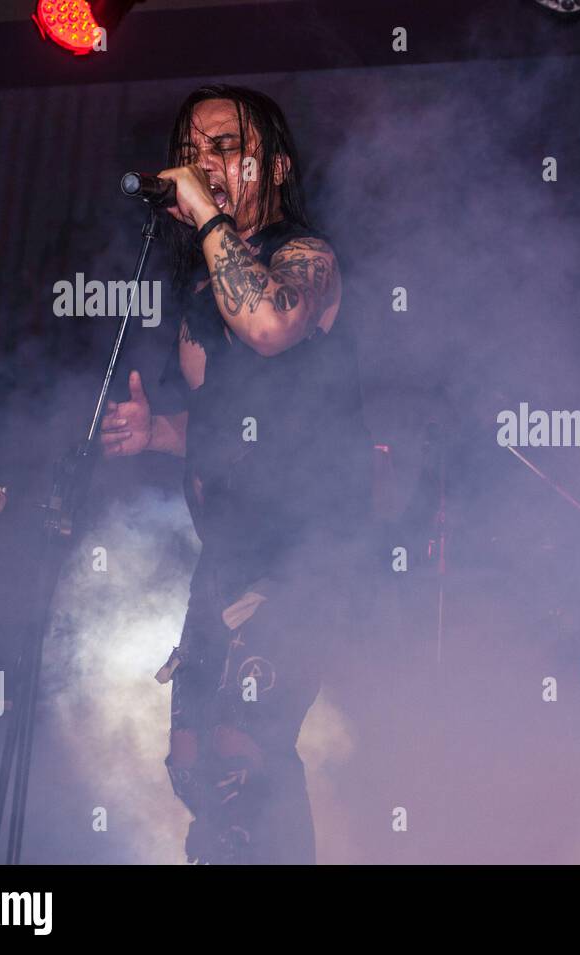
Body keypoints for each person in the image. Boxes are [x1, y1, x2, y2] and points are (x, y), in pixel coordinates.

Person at [100, 84, 372, 864]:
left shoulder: (305, 259)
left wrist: (209, 215)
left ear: (276, 165)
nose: (205, 160)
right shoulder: (200, 289)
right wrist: (158, 433)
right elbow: (224, 429)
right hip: (224, 559)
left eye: (226, 144)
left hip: (304, 553)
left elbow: (271, 325)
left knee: (239, 755)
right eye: (194, 147)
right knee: (192, 764)